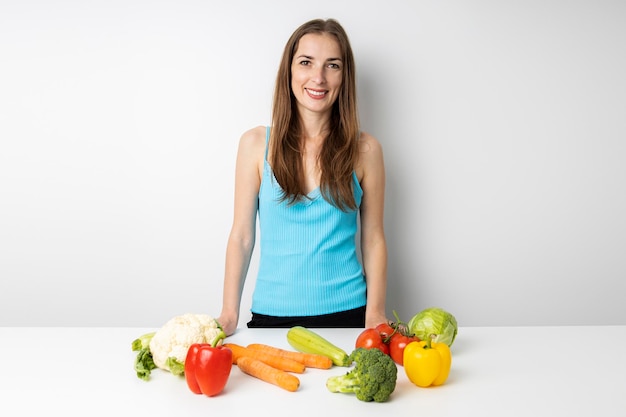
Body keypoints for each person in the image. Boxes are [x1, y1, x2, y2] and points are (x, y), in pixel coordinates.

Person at [216, 18, 388, 336]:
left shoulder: (366, 150)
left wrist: (375, 313)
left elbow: (374, 239)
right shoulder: (254, 144)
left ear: (344, 76)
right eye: (306, 62)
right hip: (270, 319)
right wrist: (229, 313)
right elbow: (241, 236)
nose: (318, 77)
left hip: (348, 318)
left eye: (332, 65)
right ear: (290, 70)